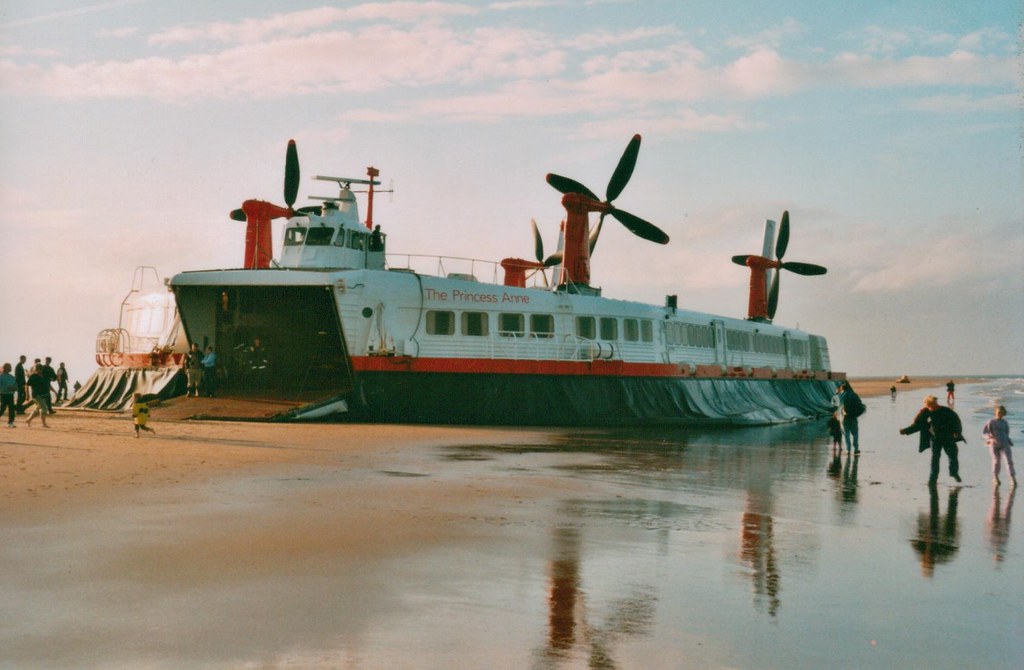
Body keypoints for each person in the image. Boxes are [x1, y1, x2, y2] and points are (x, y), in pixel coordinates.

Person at [900, 395, 964, 486]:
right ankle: (932, 479)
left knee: (953, 456)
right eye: (928, 405)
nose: (930, 407)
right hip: (935, 439)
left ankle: (954, 473)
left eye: (931, 404)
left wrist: (957, 432)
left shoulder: (946, 411)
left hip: (948, 437)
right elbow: (918, 424)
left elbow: (956, 421)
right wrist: (906, 430)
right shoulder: (925, 412)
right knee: (935, 459)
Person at [982, 405, 1016, 488]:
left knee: (1009, 460)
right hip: (994, 444)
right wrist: (989, 439)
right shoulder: (991, 422)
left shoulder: (1005, 422)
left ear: (1004, 413)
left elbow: (1006, 433)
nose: (1000, 414)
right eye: (998, 412)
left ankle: (1012, 478)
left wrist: (1009, 440)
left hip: (1004, 443)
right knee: (996, 461)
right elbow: (984, 433)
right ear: (995, 412)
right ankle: (995, 477)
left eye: (1002, 412)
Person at [837, 382, 864, 454]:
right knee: (855, 433)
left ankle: (848, 449)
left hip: (844, 417)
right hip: (853, 417)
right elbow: (860, 405)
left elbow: (836, 405)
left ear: (842, 389)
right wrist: (857, 414)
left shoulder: (841, 395)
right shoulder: (854, 395)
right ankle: (856, 448)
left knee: (846, 434)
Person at [0, 363, 17, 428]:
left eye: (10, 367)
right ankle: (10, 422)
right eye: (8, 367)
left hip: (10, 394)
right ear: (4, 368)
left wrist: (14, 388)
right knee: (2, 408)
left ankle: (11, 422)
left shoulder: (11, 377)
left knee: (11, 408)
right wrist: (6, 388)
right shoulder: (1, 376)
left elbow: (15, 386)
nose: (10, 368)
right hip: (3, 394)